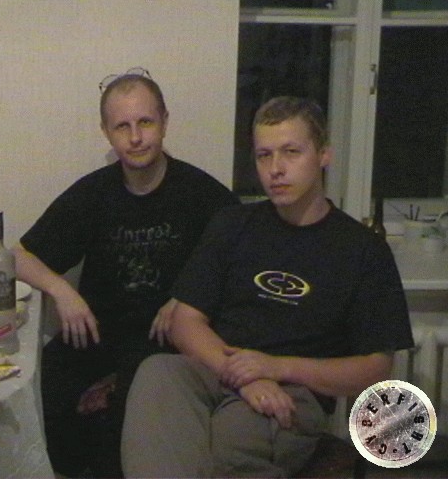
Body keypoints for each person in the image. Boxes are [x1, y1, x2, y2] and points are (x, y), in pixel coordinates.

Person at [121, 96, 415, 478]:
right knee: (157, 372)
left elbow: (375, 368)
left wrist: (277, 368)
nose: (275, 169)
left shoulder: (362, 249)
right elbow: (185, 321)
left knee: (230, 443)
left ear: (323, 154)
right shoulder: (233, 224)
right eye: (264, 156)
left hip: (294, 390)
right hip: (219, 369)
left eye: (291, 152)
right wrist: (245, 377)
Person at [14, 68, 238, 478]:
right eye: (122, 126)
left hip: (166, 346)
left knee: (125, 417)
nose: (135, 137)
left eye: (145, 122)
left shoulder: (202, 194)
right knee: (45, 382)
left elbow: (241, 261)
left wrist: (187, 298)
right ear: (107, 132)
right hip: (99, 336)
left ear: (165, 122)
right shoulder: (94, 193)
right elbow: (18, 257)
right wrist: (62, 291)